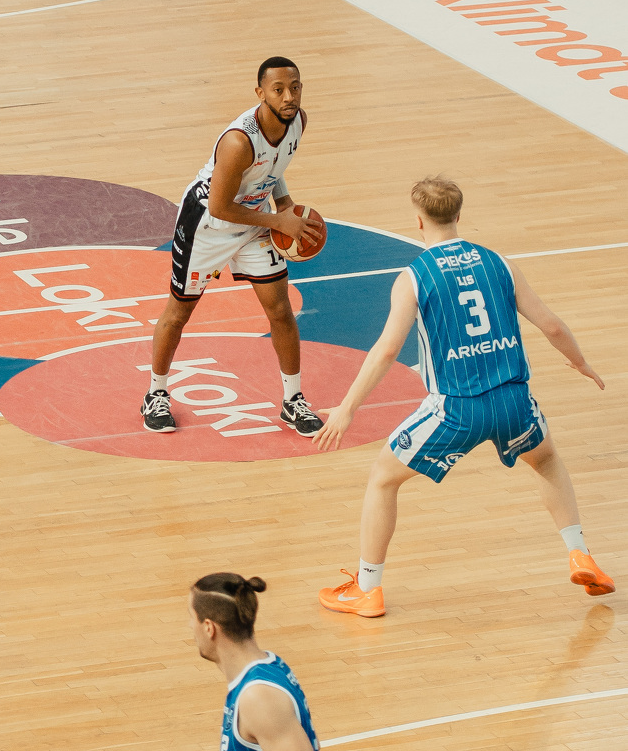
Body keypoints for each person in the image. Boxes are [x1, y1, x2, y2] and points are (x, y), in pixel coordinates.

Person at [314, 176, 615, 617]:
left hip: (456, 409)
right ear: (458, 215)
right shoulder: (499, 263)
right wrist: (581, 362)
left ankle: (368, 588)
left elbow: (388, 350)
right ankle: (579, 553)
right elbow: (551, 324)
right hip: (514, 401)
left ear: (419, 221)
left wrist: (347, 409)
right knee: (546, 460)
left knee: (383, 478)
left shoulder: (413, 277)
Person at [141, 56, 323, 436]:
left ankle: (293, 400)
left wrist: (284, 203)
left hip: (253, 221)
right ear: (260, 93)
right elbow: (221, 207)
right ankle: (155, 393)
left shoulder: (298, 122)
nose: (288, 97)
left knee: (280, 310)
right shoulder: (240, 141)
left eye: (295, 88)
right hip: (207, 225)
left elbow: (274, 167)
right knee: (179, 312)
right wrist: (278, 221)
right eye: (278, 90)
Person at [189, 572, 320, 751]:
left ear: (208, 628)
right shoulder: (266, 667)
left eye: (192, 617)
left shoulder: (258, 697)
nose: (190, 625)